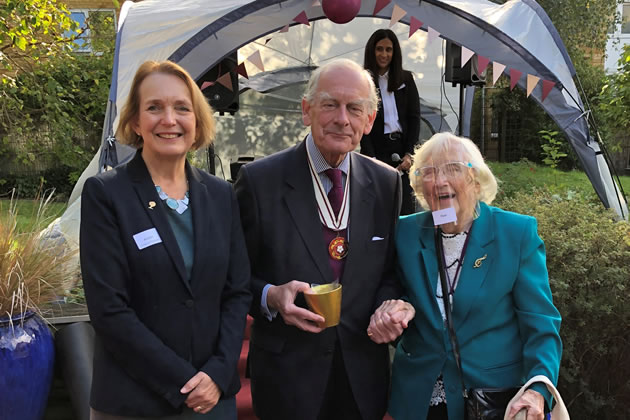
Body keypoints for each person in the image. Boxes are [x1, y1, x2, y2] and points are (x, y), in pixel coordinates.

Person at [234, 59, 415, 420]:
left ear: (369, 120)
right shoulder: (259, 182)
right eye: (330, 104)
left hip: (362, 376)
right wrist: (271, 296)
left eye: (354, 108)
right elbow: (232, 277)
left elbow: (391, 272)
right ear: (307, 110)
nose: (341, 119)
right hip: (287, 377)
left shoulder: (387, 184)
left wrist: (389, 306)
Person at [80, 60, 252, 419]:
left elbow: (237, 293)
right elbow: (109, 310)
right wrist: (186, 382)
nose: (169, 119)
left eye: (181, 108)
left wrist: (218, 374)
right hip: (135, 401)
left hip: (213, 400)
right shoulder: (106, 194)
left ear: (197, 121)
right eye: (154, 107)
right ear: (135, 123)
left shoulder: (221, 195)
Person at [369, 132, 562, 420]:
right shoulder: (406, 233)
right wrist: (396, 307)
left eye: (453, 169)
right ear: (421, 186)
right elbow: (391, 288)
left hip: (490, 401)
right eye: (429, 173)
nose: (440, 180)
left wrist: (537, 388)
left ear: (476, 178)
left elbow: (541, 324)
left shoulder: (515, 233)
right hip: (414, 399)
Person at [361, 29, 421, 215]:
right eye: (379, 49)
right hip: (376, 150)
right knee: (377, 208)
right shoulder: (363, 80)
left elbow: (414, 117)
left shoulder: (406, 79)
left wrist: (410, 154)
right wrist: (371, 158)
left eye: (388, 49)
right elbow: (361, 121)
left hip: (401, 150)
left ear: (395, 52)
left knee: (404, 208)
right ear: (372, 51)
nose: (384, 54)